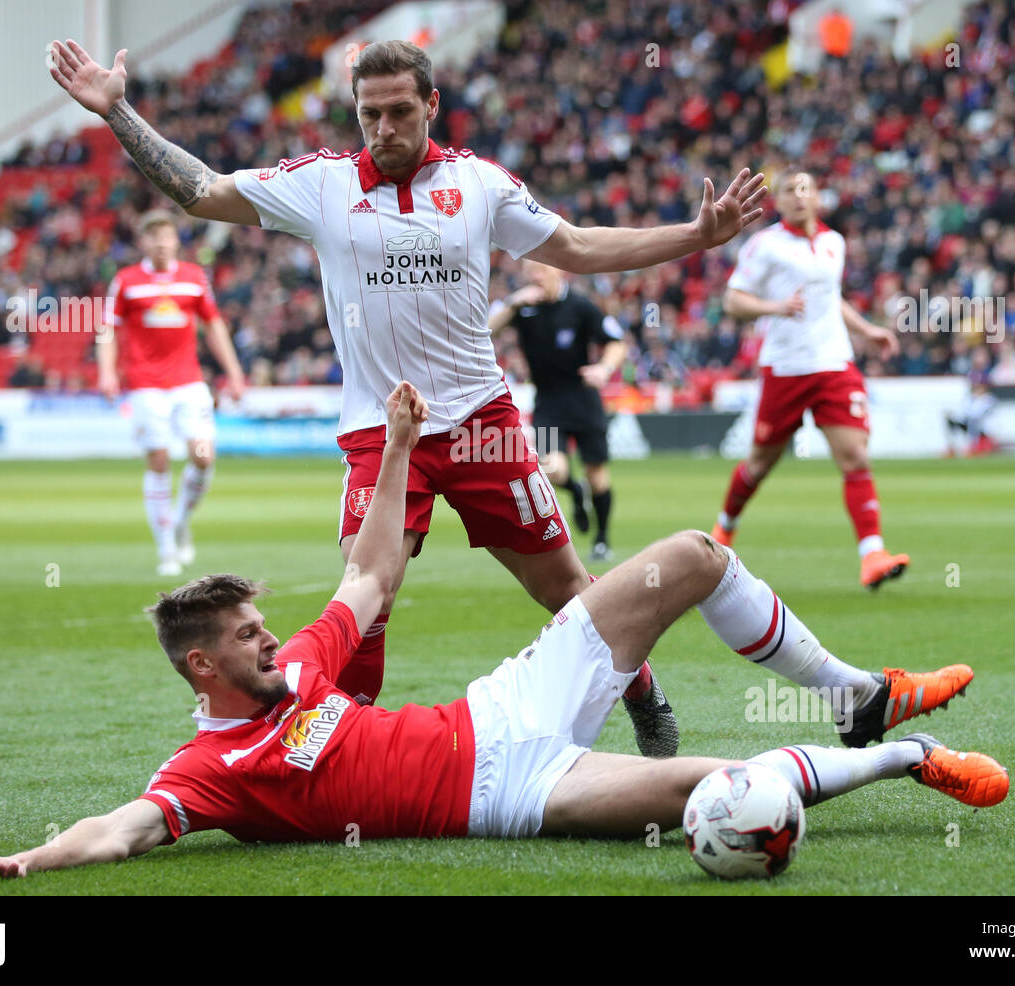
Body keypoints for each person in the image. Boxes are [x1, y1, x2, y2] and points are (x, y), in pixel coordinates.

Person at [0, 382, 1006, 880]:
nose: (277, 643)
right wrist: (31, 861)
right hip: (510, 798)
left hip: (505, 706)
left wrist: (400, 441)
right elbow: (121, 827)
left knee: (691, 552)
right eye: (252, 637)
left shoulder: (305, 663)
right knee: (724, 792)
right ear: (200, 663)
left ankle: (849, 692)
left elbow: (369, 568)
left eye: (268, 627)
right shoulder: (210, 768)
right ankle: (907, 756)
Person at [48, 37, 769, 754]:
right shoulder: (321, 183)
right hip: (381, 430)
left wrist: (694, 236)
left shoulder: (479, 184)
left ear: (431, 104)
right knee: (368, 595)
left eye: (399, 111)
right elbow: (202, 191)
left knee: (565, 587)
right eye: (370, 115)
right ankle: (343, 740)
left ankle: (642, 694)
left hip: (482, 420)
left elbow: (577, 248)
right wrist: (119, 114)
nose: (385, 129)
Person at [710, 170, 910, 590]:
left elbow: (830, 299)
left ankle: (872, 554)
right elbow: (732, 300)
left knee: (855, 455)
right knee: (760, 464)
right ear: (778, 202)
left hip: (835, 363)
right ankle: (723, 530)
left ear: (819, 198)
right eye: (790, 191)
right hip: (785, 367)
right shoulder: (765, 245)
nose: (799, 197)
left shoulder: (834, 243)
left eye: (806, 189)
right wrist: (775, 306)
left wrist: (867, 330)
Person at [98, 210, 246, 577]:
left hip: (188, 382)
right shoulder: (126, 281)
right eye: (153, 237)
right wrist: (106, 372)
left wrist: (235, 372)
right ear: (143, 242)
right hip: (146, 386)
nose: (160, 243)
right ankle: (166, 548)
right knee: (160, 460)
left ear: (176, 241)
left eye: (166, 237)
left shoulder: (194, 278)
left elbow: (213, 326)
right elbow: (108, 330)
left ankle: (179, 521)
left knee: (203, 456)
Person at [488, 260, 626, 561]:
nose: (537, 278)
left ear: (558, 271)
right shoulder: (522, 308)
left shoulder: (580, 306)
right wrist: (512, 303)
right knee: (552, 468)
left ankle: (602, 539)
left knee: (598, 476)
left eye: (542, 271)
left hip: (584, 399)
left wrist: (604, 368)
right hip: (548, 402)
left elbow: (617, 342)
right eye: (531, 273)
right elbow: (483, 330)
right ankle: (575, 492)